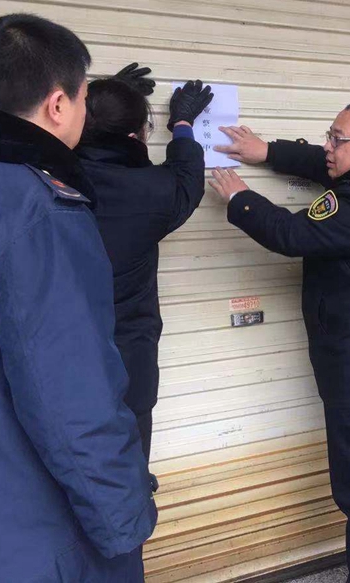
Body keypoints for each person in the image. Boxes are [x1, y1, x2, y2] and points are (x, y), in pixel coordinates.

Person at [0, 14, 156, 581]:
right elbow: (70, 397)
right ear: (57, 105)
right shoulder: (39, 209)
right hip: (30, 532)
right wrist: (124, 524)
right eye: (85, 98)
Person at [208, 101, 350, 583]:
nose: (327, 146)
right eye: (329, 134)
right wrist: (268, 151)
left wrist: (240, 197)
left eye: (337, 139)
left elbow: (290, 234)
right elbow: (325, 165)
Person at [77, 69, 211, 461]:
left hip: (58, 351)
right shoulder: (153, 190)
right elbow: (187, 179)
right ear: (137, 136)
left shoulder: (47, 174)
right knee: (128, 457)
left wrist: (106, 103)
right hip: (128, 359)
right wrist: (182, 123)